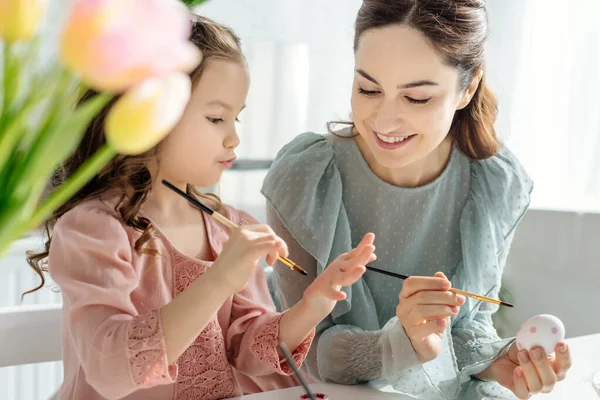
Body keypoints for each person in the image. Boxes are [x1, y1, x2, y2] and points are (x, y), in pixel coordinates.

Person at [26, 15, 375, 400]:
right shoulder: (93, 230)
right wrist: (220, 278)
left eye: (236, 117)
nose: (233, 138)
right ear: (151, 113)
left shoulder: (228, 227)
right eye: (216, 118)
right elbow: (110, 370)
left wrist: (311, 306)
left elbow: (246, 352)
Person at [262, 1, 571, 399]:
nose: (384, 122)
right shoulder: (306, 177)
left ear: (468, 88)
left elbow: (469, 328)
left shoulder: (493, 182)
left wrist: (497, 361)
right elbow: (303, 350)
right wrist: (400, 343)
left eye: (418, 98)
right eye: (368, 89)